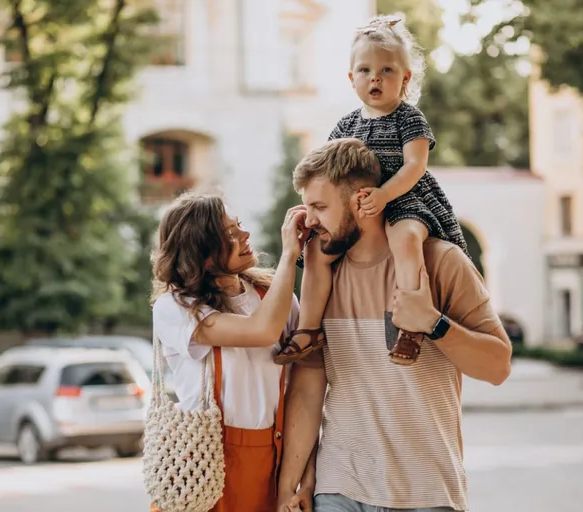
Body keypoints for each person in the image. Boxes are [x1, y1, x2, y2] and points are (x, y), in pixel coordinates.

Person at [277, 138, 512, 512]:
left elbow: (498, 366)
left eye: (320, 207)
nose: (311, 220)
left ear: (362, 200)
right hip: (340, 487)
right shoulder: (320, 279)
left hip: (428, 492)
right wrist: (289, 487)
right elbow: (307, 385)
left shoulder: (441, 262)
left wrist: (434, 324)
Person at [275, 13, 469, 368]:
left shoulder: (408, 118)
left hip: (403, 198)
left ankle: (409, 324)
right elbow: (325, 172)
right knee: (318, 254)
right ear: (352, 79)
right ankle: (308, 329)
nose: (375, 78)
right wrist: (315, 210)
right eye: (364, 70)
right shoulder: (345, 125)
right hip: (356, 207)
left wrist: (384, 195)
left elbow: (415, 166)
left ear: (405, 78)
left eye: (387, 71)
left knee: (407, 241)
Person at [149, 192, 310, 512]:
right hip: (200, 464)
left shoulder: (271, 296)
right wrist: (290, 254)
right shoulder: (177, 307)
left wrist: (304, 476)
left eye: (240, 227)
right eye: (230, 235)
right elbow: (260, 331)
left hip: (269, 459)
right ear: (201, 253)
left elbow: (302, 385)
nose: (245, 236)